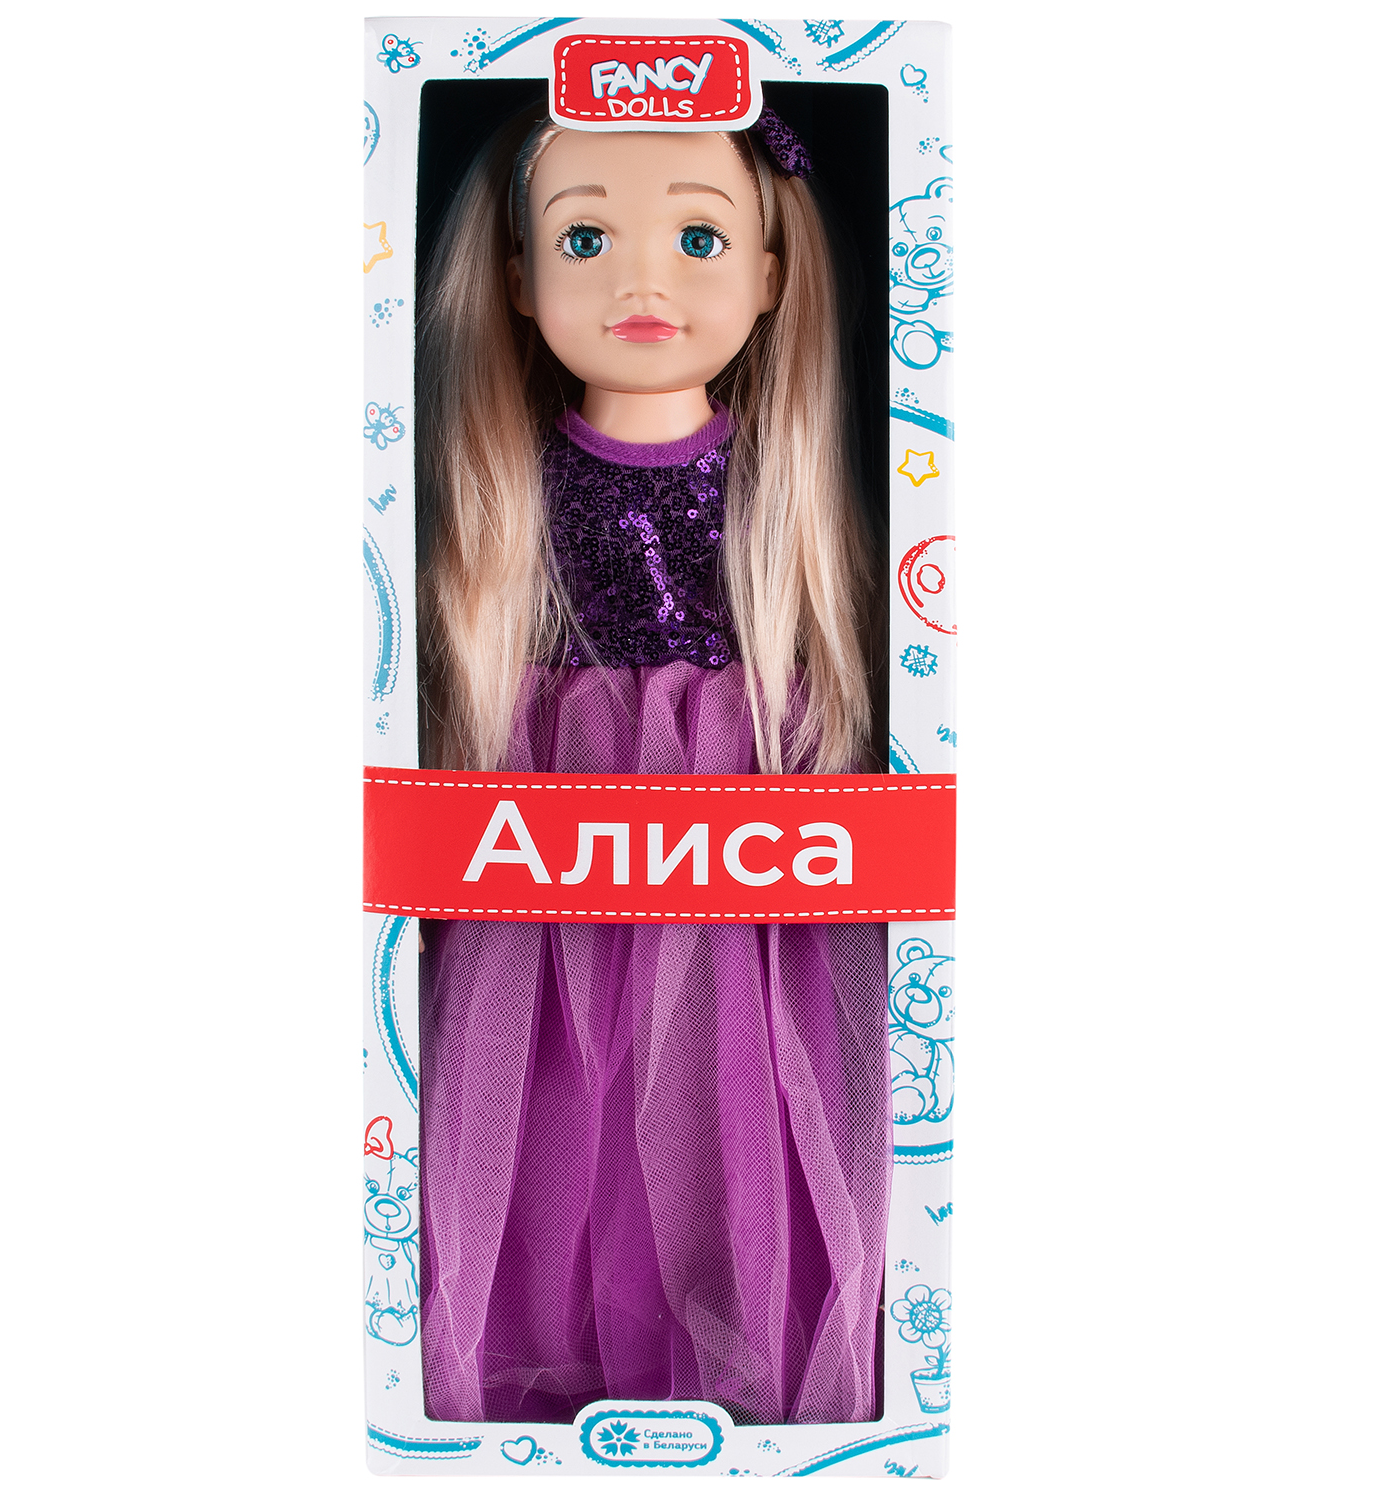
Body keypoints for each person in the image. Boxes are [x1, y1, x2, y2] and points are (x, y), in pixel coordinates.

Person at [414, 104, 889, 1426]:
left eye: (698, 238)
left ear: (773, 273)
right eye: (584, 239)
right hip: (551, 830)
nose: (641, 280)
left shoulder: (785, 494)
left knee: (735, 1096)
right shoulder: (501, 494)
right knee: (553, 1104)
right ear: (517, 277)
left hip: (742, 830)